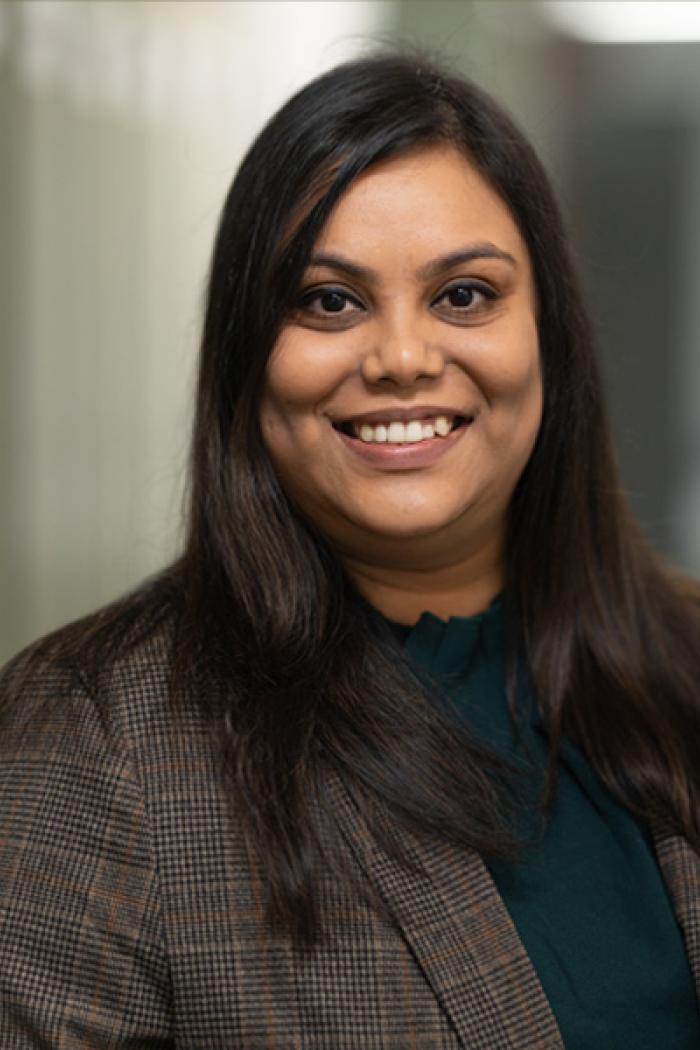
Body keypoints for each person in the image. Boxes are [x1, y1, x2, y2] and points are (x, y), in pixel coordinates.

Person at [1, 52, 698, 1049]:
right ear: (248, 355)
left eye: (464, 294)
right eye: (329, 300)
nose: (403, 357)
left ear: (549, 336)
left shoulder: (679, 659)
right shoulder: (88, 742)